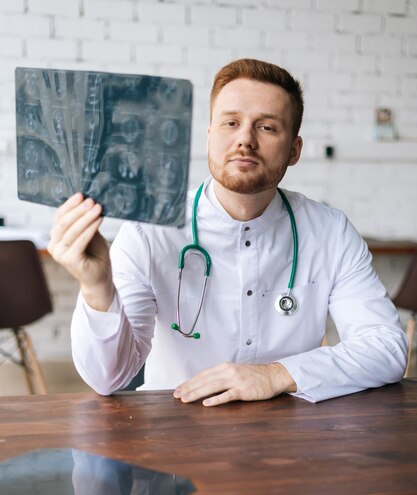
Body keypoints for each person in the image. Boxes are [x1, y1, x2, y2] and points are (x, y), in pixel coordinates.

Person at [48, 58, 407, 406]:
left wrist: (275, 374)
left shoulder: (329, 231)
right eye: (230, 123)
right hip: (173, 436)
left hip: (291, 437)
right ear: (208, 137)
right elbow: (107, 378)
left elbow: (386, 348)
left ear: (294, 150)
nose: (245, 140)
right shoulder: (148, 233)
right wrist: (96, 287)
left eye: (267, 127)